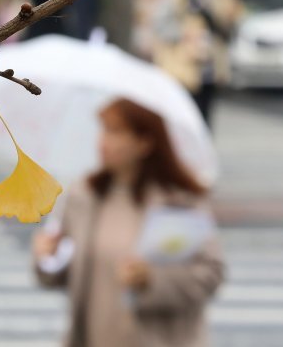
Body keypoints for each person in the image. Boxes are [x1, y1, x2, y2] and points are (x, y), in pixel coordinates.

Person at [32, 98, 224, 347]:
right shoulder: (85, 195)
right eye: (102, 129)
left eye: (116, 131)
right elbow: (61, 270)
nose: (103, 141)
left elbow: (210, 274)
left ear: (145, 142)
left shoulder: (179, 202)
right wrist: (48, 257)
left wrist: (152, 279)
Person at [151, 0, 243, 127]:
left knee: (205, 115)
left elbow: (230, 28)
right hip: (182, 67)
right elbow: (160, 25)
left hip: (210, 66)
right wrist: (184, 33)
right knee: (183, 115)